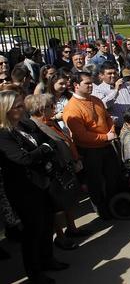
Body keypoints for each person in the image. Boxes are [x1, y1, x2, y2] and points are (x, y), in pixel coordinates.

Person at [0, 90, 68, 283]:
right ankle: (34, 273)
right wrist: (42, 151)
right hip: (24, 189)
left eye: (22, 104)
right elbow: (23, 159)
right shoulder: (3, 135)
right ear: (6, 110)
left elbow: (49, 143)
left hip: (43, 182)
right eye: (18, 106)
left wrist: (42, 151)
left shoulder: (26, 124)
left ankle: (48, 260)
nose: (23, 109)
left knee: (47, 225)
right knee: (33, 231)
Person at [25, 94, 90, 251]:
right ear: (41, 109)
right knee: (58, 207)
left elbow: (65, 139)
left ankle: (72, 228)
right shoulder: (36, 126)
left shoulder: (51, 121)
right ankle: (60, 237)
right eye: (50, 106)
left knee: (69, 200)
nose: (54, 109)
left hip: (66, 165)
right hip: (55, 171)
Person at [62, 72, 121, 220]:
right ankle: (103, 211)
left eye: (91, 83)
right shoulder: (72, 108)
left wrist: (111, 131)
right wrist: (105, 137)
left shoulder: (96, 100)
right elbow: (81, 135)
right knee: (94, 182)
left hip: (107, 146)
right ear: (76, 86)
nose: (91, 86)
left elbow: (107, 118)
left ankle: (114, 204)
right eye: (87, 83)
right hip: (90, 151)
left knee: (113, 176)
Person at [92, 61, 130, 127]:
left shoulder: (126, 85)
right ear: (101, 76)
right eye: (109, 73)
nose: (113, 75)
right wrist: (116, 90)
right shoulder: (98, 90)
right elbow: (104, 105)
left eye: (114, 73)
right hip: (116, 127)